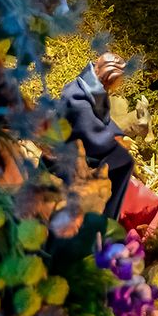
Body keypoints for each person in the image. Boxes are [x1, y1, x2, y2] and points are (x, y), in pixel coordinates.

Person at [59, 53, 134, 220]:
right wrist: (115, 143)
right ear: (110, 76)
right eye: (120, 79)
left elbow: (103, 119)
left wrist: (118, 135)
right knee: (124, 161)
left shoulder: (93, 89)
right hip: (72, 146)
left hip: (86, 140)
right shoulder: (78, 96)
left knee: (122, 157)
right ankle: (108, 214)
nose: (121, 83)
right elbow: (88, 129)